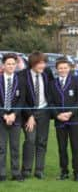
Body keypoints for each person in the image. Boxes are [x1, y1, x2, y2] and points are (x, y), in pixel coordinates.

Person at [19, 51, 54, 179]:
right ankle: (26, 170)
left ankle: (39, 170)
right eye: (40, 63)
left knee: (42, 142)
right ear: (33, 63)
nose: (42, 66)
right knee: (30, 140)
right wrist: (30, 115)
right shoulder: (22, 76)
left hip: (44, 112)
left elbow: (51, 91)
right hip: (28, 113)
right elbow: (21, 99)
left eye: (44, 63)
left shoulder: (47, 74)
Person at [48, 57, 78, 181]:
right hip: (59, 121)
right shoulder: (52, 84)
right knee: (62, 147)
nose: (63, 70)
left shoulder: (75, 81)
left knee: (75, 146)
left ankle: (77, 172)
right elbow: (50, 102)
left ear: (69, 68)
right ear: (57, 69)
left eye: (65, 68)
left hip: (73, 120)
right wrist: (58, 115)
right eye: (60, 68)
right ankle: (64, 171)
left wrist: (70, 112)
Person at [0, 53, 25, 182]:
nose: (10, 66)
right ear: (3, 65)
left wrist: (13, 114)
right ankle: (2, 173)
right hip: (1, 118)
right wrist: (4, 115)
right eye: (8, 64)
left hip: (16, 118)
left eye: (13, 64)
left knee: (15, 147)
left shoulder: (20, 80)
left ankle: (16, 172)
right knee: (1, 148)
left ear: (16, 65)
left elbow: (22, 100)